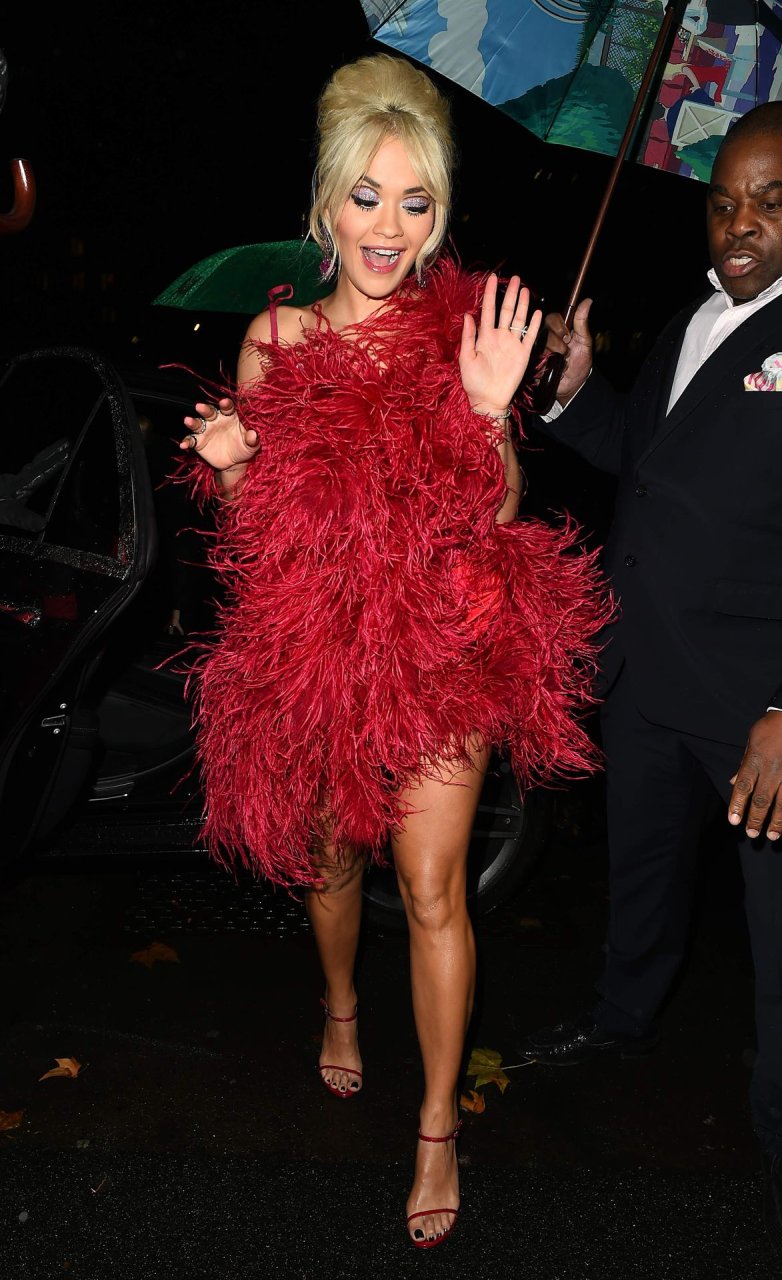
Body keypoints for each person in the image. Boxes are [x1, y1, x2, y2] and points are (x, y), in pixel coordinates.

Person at [174, 52, 611, 1249]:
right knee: (328, 864)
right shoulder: (275, 337)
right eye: (365, 195)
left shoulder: (464, 332)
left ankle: (434, 1123)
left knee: (430, 888)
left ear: (440, 213)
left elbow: (501, 511)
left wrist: (486, 407)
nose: (387, 226)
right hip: (318, 648)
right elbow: (254, 545)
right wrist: (232, 468)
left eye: (415, 201)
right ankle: (337, 1004)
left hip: (440, 646)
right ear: (325, 201)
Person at [518, 101, 782, 1260]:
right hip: (645, 672)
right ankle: (622, 1017)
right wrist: (576, 391)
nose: (739, 222)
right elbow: (646, 458)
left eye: (769, 201)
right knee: (637, 870)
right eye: (722, 201)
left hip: (754, 705)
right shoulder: (694, 317)